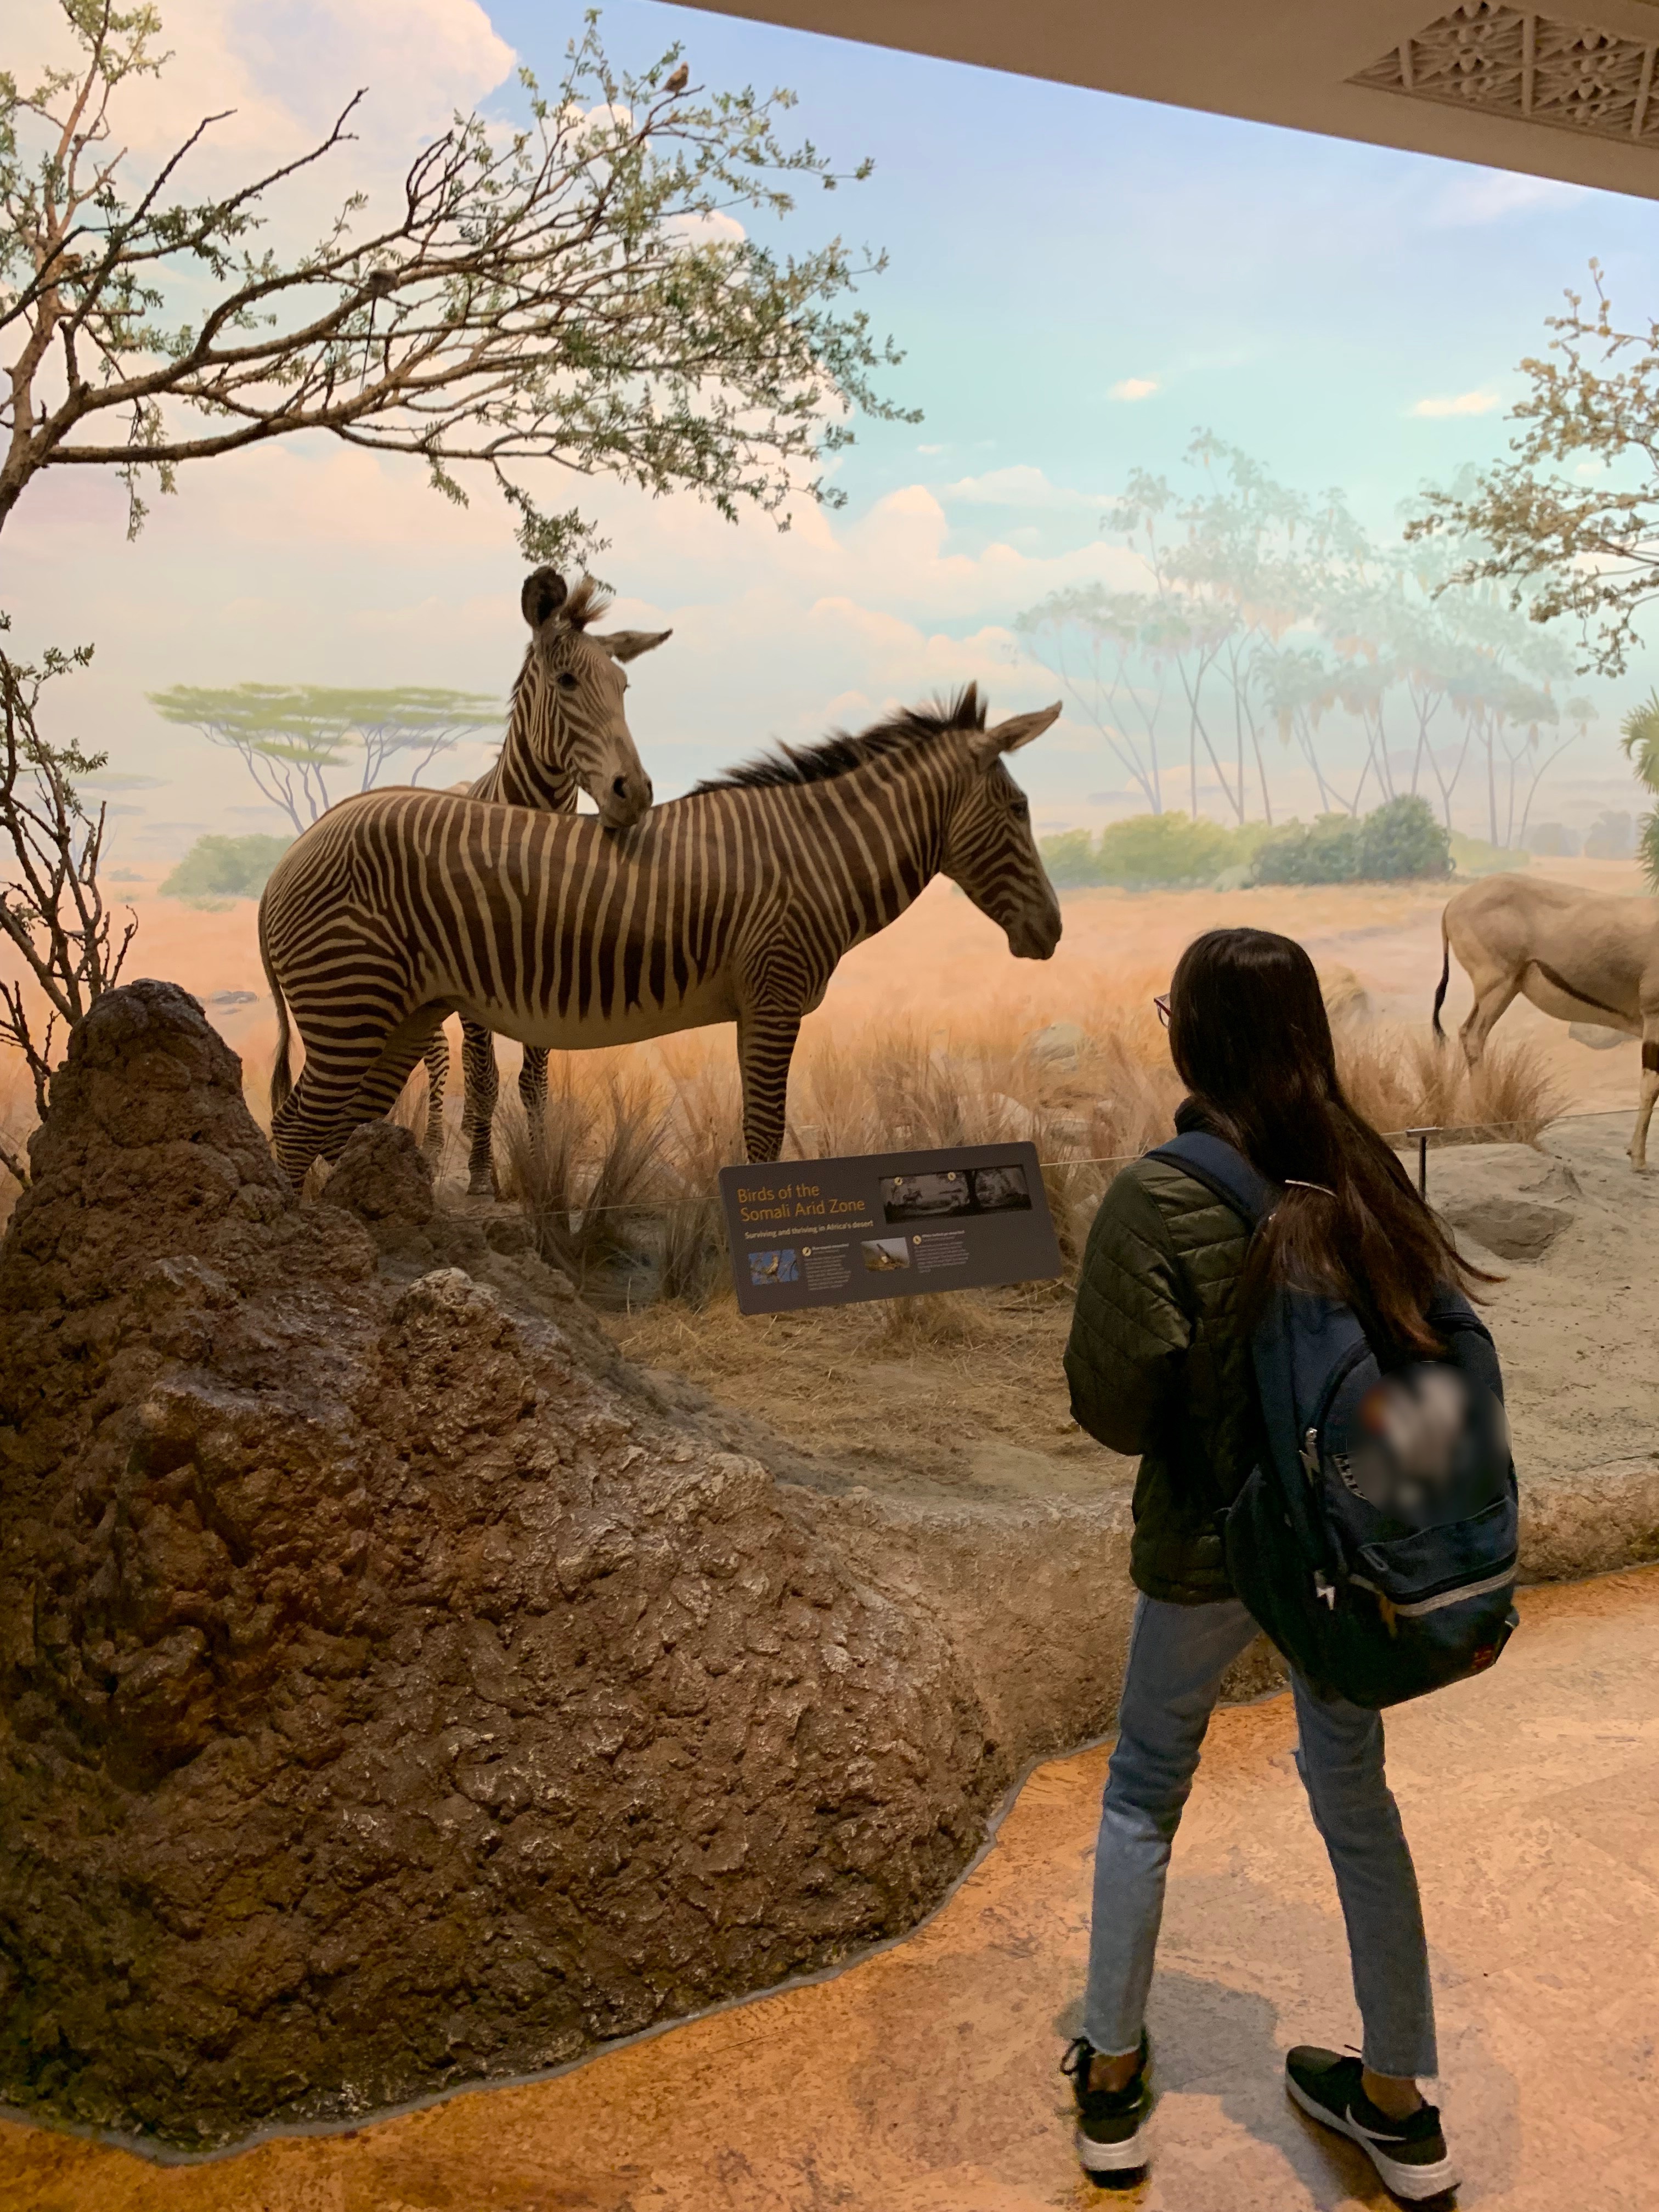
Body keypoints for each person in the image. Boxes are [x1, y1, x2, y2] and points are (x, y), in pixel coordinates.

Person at [1060, 927, 1490, 2203]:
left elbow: (1113, 1404)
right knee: (1357, 1805)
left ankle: (1114, 2085)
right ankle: (1400, 2107)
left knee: (1145, 1786)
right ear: (1307, 1037)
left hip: (1207, 1550)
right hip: (1344, 1566)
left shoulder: (1158, 1193)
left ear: (1189, 1037)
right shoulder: (1366, 1176)